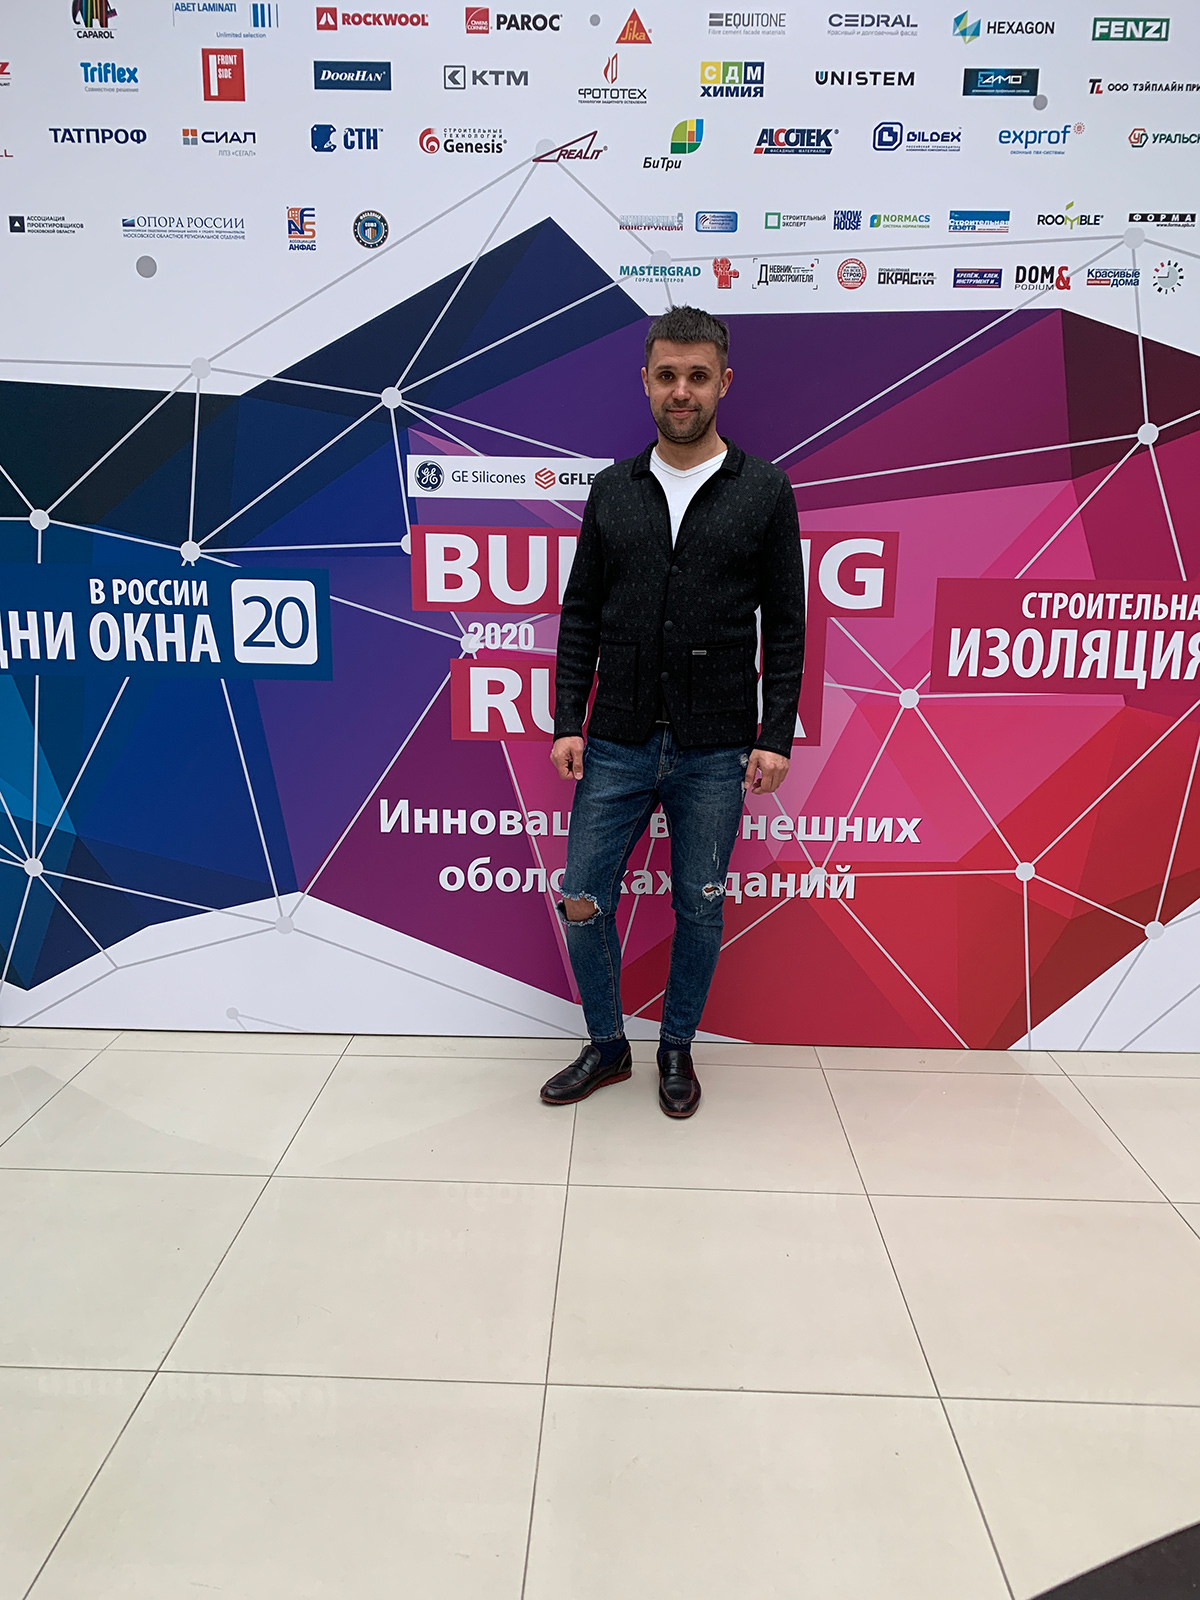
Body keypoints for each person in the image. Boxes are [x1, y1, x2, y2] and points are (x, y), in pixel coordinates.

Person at [540, 304, 805, 1118]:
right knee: (582, 896)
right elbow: (581, 613)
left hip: (716, 745)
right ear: (646, 383)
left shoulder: (764, 489)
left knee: (700, 903)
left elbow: (786, 623)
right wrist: (567, 718)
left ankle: (678, 1046)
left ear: (723, 382)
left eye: (697, 376)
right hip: (616, 737)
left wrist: (774, 734)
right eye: (667, 376)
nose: (681, 391)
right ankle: (607, 1044)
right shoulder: (612, 490)